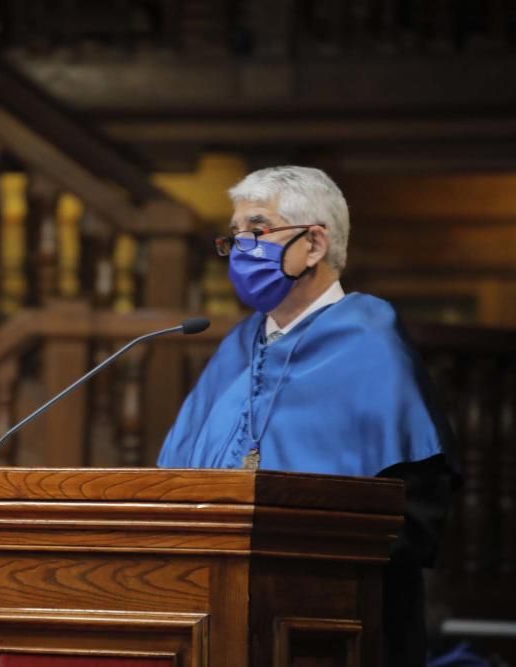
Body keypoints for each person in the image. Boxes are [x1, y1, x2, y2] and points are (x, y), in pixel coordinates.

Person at [157, 165, 456, 667]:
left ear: (314, 244)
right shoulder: (235, 348)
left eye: (257, 230)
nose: (241, 249)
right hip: (210, 616)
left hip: (331, 631)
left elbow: (413, 519)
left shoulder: (371, 343)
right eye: (235, 236)